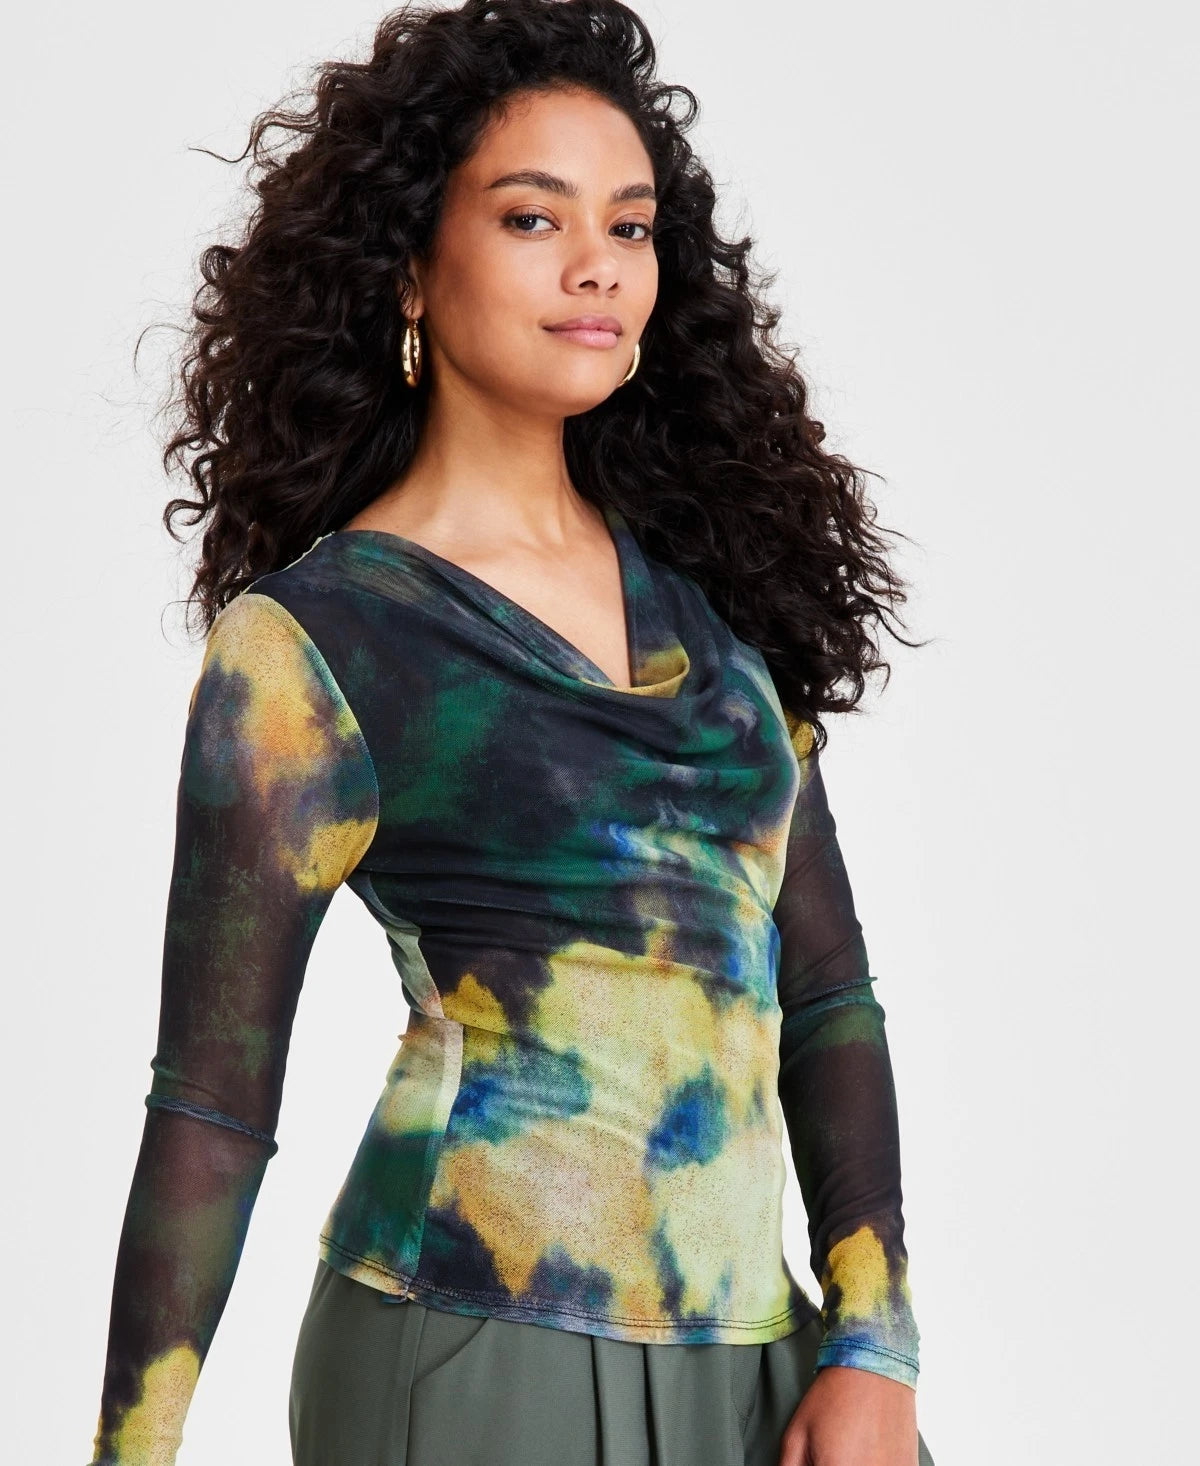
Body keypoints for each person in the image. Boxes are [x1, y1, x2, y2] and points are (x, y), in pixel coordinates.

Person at [86, 2, 935, 1463]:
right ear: (410, 266)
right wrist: (127, 1453)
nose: (597, 262)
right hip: (474, 1350)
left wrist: (874, 1340)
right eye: (535, 218)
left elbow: (828, 995)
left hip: (764, 1360)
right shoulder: (317, 645)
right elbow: (212, 1106)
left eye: (630, 225)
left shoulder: (722, 610)